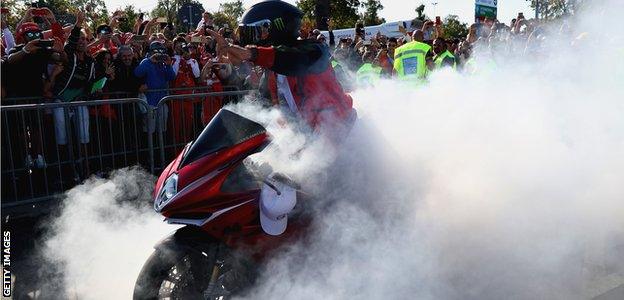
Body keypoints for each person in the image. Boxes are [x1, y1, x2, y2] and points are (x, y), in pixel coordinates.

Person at [206, 0, 355, 236]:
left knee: (308, 197)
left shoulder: (314, 51)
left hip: (341, 138)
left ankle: (335, 244)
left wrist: (249, 54)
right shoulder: (272, 72)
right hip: (306, 141)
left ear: (276, 28)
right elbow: (258, 105)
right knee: (263, 178)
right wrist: (228, 77)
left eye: (258, 31)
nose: (254, 38)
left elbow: (290, 59)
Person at [134, 41, 175, 133]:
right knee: (150, 129)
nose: (159, 53)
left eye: (161, 51)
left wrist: (168, 65)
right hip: (149, 102)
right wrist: (149, 61)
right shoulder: (146, 61)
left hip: (162, 100)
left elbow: (172, 77)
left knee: (162, 129)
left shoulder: (163, 64)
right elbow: (137, 73)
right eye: (156, 51)